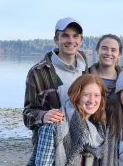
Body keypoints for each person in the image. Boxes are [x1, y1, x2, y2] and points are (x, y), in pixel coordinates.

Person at [14, 74, 107, 166]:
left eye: (96, 95)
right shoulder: (55, 122)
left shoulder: (97, 128)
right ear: (77, 95)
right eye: (86, 95)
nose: (92, 100)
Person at [23, 17, 88, 146]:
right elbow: (27, 115)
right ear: (56, 40)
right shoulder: (37, 72)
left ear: (81, 40)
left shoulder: (86, 68)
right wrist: (43, 116)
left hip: (82, 143)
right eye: (65, 36)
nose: (71, 40)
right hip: (51, 144)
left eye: (75, 36)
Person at [88, 34, 123, 100]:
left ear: (119, 55)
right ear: (97, 51)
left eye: (113, 50)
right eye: (104, 48)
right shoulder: (85, 76)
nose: (108, 53)